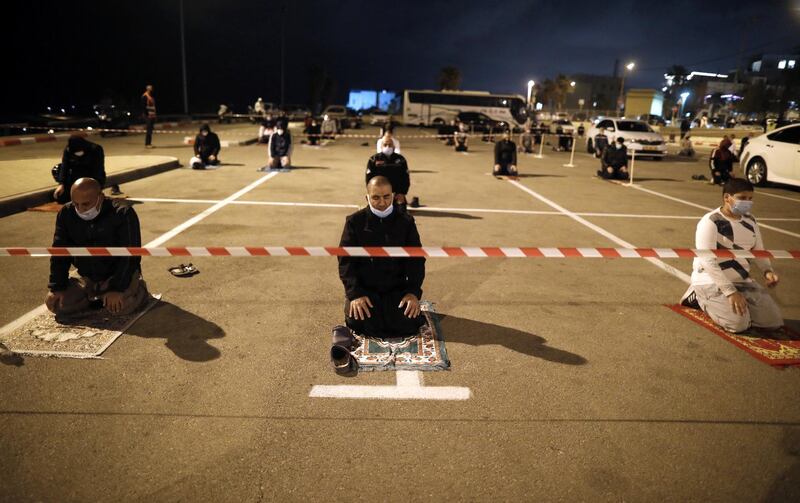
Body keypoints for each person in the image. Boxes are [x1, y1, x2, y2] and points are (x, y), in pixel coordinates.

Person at [681, 178, 783, 333]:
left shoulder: (751, 220)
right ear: (727, 197)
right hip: (710, 281)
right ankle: (697, 297)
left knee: (773, 321)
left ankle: (731, 307)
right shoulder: (710, 221)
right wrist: (730, 292)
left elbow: (758, 250)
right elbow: (707, 261)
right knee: (738, 325)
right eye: (742, 198)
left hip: (742, 281)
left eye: (750, 198)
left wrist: (767, 271)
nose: (747, 203)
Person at [337, 175, 425, 339]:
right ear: (367, 197)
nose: (382, 202)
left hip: (395, 289)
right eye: (376, 197)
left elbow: (417, 260)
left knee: (407, 322)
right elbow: (345, 260)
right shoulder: (354, 222)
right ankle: (352, 303)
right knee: (359, 322)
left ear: (393, 195)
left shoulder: (406, 221)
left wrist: (412, 292)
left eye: (386, 197)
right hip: (365, 289)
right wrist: (355, 293)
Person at [45, 178, 149, 317]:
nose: (80, 209)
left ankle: (138, 290)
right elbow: (60, 252)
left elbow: (130, 256)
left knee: (119, 307)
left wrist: (117, 288)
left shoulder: (123, 213)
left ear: (100, 197)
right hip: (87, 275)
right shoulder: (66, 213)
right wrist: (57, 287)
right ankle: (96, 296)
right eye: (76, 204)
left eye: (86, 204)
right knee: (56, 304)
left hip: (117, 274)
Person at [52, 136, 106, 204]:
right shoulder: (68, 150)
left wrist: (92, 187)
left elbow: (98, 170)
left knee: (87, 199)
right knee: (62, 198)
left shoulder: (96, 149)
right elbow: (64, 166)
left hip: (91, 176)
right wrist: (61, 184)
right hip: (76, 176)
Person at [366, 136, 410, 208]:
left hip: (397, 194)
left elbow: (405, 178)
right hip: (379, 194)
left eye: (390, 145)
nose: (387, 147)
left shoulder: (401, 160)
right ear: (381, 146)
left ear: (394, 146)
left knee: (401, 215)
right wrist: (371, 193)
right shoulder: (373, 159)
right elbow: (369, 178)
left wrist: (402, 193)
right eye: (385, 145)